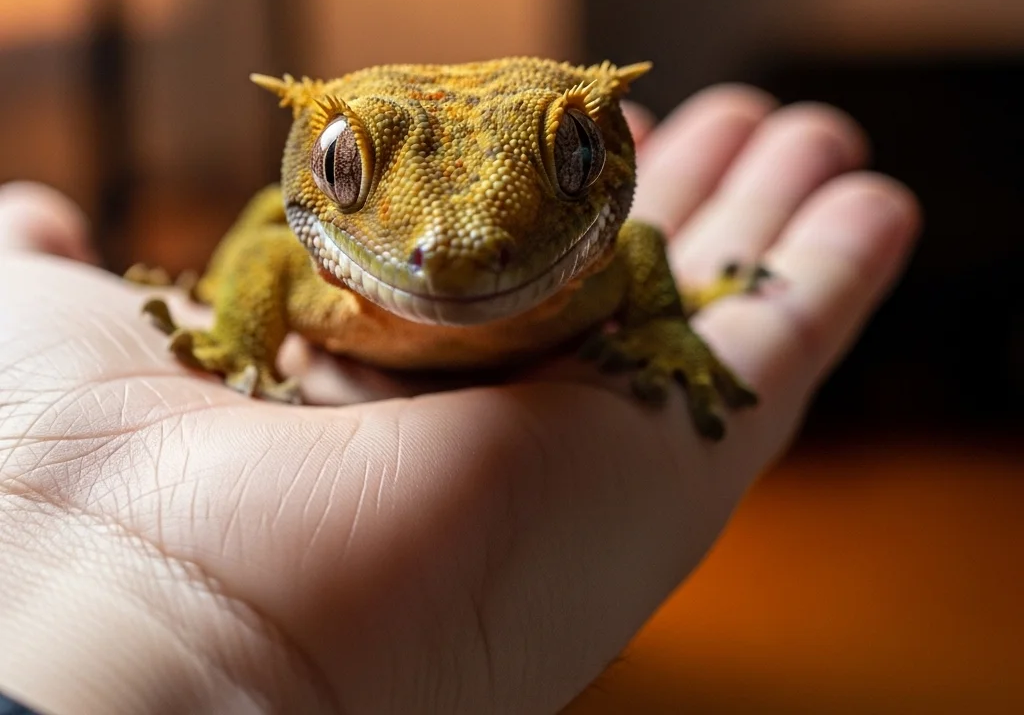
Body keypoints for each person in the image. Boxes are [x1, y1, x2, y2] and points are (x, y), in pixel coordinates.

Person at [0, 86, 919, 715]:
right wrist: (236, 336)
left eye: (571, 157)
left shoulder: (610, 269)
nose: (453, 253)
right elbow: (270, 250)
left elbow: (637, 253)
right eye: (344, 166)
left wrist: (661, 329)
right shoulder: (299, 271)